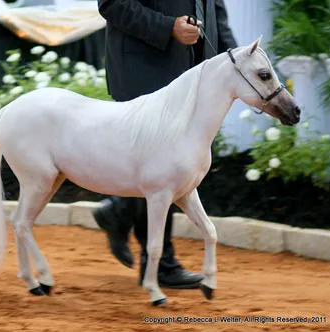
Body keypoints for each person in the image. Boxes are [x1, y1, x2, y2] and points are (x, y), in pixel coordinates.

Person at [94, 0, 237, 289]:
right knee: (164, 171)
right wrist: (167, 27)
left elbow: (214, 11)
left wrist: (239, 61)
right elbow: (111, 3)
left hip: (195, 74)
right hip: (145, 70)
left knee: (169, 169)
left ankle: (119, 213)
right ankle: (160, 263)